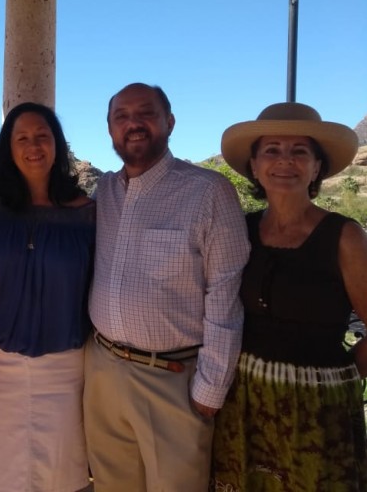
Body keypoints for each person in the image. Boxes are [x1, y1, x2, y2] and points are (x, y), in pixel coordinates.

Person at [84, 83, 250, 492]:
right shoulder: (102, 192)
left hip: (173, 379)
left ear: (169, 122)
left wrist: (210, 389)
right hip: (102, 369)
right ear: (109, 130)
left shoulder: (209, 192)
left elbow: (225, 298)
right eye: (121, 116)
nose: (133, 123)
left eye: (146, 113)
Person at [212, 102, 367, 491]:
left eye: (300, 151)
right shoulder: (240, 230)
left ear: (317, 166)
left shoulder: (344, 237)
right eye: (272, 150)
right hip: (243, 403)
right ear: (254, 165)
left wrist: (339, 378)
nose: (285, 161)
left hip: (318, 412)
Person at [0, 102, 95, 492]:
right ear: (8, 147)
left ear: (57, 145)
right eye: (22, 137)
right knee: (1, 475)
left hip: (66, 369)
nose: (33, 145)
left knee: (63, 473)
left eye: (42, 136)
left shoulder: (87, 213)